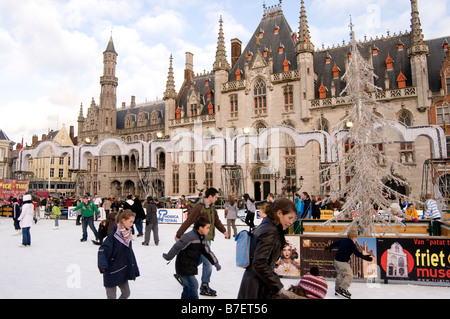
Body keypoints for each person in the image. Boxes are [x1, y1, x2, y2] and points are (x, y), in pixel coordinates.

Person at [237, 198, 300, 299]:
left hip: (256, 284)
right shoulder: (270, 231)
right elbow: (259, 264)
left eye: (294, 218)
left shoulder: (267, 226)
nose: (291, 222)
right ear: (279, 213)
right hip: (258, 288)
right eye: (290, 218)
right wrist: (279, 288)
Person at [175, 187, 228, 297]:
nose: (217, 199)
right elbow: (189, 220)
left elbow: (216, 221)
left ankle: (183, 273)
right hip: (201, 239)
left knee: (199, 259)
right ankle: (204, 285)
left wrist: (224, 231)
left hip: (208, 238)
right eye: (216, 197)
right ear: (210, 196)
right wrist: (179, 234)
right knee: (208, 262)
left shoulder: (212, 208)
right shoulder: (199, 207)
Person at [163, 217, 221, 299]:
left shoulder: (202, 238)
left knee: (187, 287)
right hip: (183, 266)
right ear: (200, 228)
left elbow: (207, 252)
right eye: (207, 228)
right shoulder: (188, 237)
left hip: (191, 266)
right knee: (193, 285)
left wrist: (215, 263)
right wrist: (168, 257)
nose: (209, 230)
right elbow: (176, 247)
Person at [98, 209, 140, 299]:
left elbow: (129, 253)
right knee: (111, 297)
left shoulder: (127, 235)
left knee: (126, 293)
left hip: (122, 270)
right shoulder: (113, 236)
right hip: (111, 271)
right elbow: (102, 250)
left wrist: (133, 267)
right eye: (131, 221)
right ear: (123, 221)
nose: (132, 224)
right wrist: (103, 266)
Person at [325, 229, 373, 299]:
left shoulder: (343, 240)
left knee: (340, 274)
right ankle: (343, 288)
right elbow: (357, 253)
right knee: (349, 275)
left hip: (336, 261)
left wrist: (330, 247)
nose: (356, 239)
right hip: (342, 262)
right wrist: (364, 257)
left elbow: (335, 243)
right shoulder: (351, 244)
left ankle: (337, 289)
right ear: (353, 237)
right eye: (356, 237)